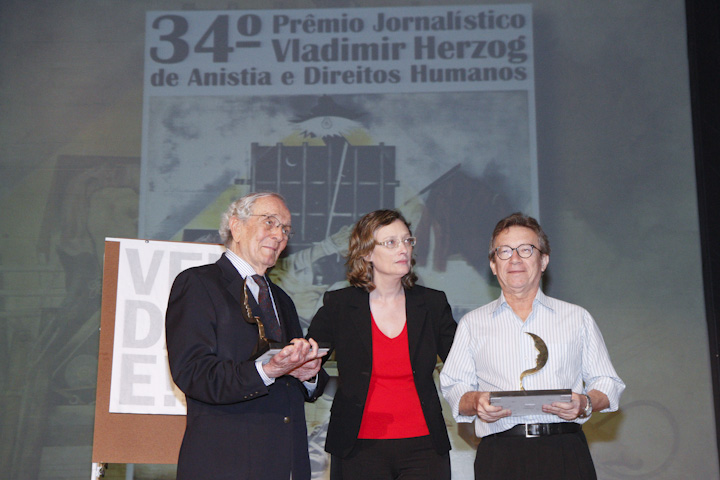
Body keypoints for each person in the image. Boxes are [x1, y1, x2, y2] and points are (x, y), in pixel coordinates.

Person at [440, 212, 625, 480]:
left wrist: (585, 402)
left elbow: (608, 383)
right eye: (504, 251)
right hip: (499, 454)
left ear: (543, 260)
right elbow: (454, 385)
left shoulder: (576, 317)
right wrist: (476, 401)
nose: (514, 259)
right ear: (493, 264)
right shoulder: (472, 323)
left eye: (526, 250)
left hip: (564, 451)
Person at [165, 192, 329, 480]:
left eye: (286, 229)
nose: (279, 234)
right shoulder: (198, 284)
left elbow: (291, 387)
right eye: (270, 222)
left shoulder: (282, 299)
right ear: (236, 227)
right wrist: (266, 370)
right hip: (225, 464)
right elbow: (193, 373)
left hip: (285, 465)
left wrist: (307, 374)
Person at [308, 209, 458, 480]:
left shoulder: (433, 304)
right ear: (366, 253)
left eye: (407, 241)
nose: (403, 249)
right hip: (357, 446)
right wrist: (301, 368)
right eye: (391, 243)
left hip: (424, 445)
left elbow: (462, 363)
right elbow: (310, 363)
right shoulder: (338, 305)